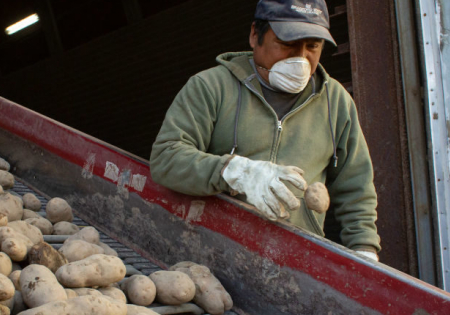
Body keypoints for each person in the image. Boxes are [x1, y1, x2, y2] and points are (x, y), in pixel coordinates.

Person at [149, 0, 380, 260]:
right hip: (210, 249)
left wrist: (364, 249)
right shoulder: (211, 87)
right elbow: (166, 158)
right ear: (254, 35)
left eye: (312, 46)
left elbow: (356, 187)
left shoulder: (335, 102)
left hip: (295, 260)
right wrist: (236, 172)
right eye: (287, 44)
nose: (301, 58)